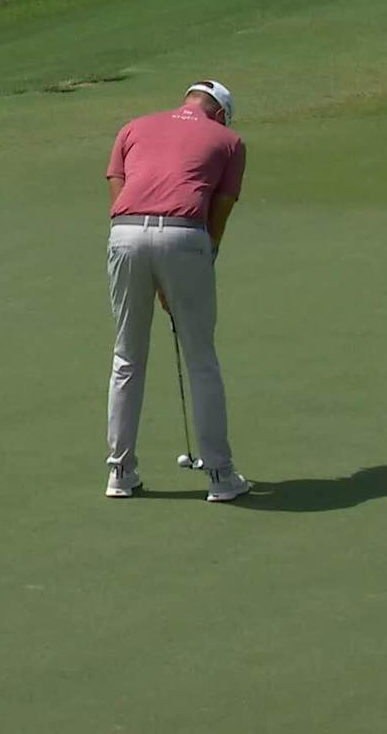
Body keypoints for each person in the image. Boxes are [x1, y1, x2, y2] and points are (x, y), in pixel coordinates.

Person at [103, 79, 251, 501]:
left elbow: (117, 183)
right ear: (220, 112)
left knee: (126, 356)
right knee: (201, 357)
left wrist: (137, 250)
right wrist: (195, 267)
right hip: (185, 237)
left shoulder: (133, 126)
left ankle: (120, 472)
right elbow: (217, 215)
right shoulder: (229, 140)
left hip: (124, 233)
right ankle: (221, 476)